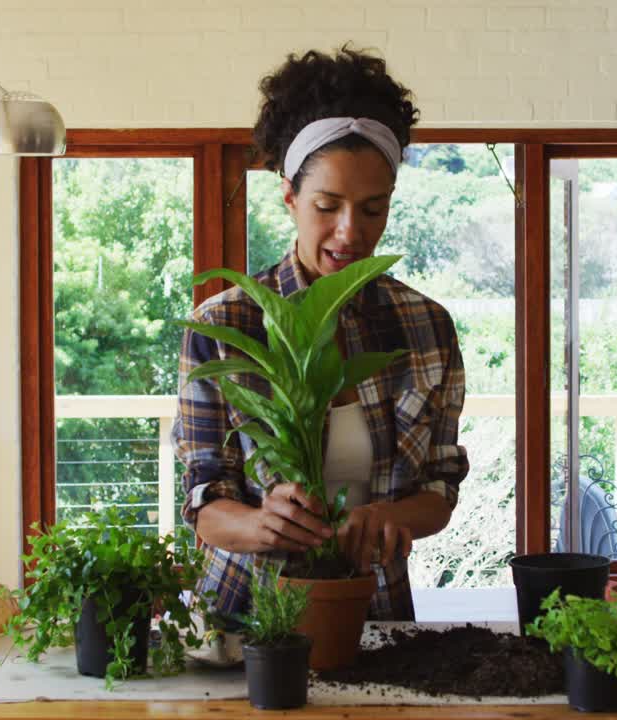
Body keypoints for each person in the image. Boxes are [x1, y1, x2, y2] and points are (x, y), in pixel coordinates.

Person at [173, 46, 468, 621]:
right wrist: (262, 523)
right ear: (289, 196)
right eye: (327, 206)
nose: (350, 232)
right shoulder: (227, 325)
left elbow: (440, 486)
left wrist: (391, 519)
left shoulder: (426, 327)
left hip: (372, 611)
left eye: (373, 209)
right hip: (245, 617)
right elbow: (205, 499)